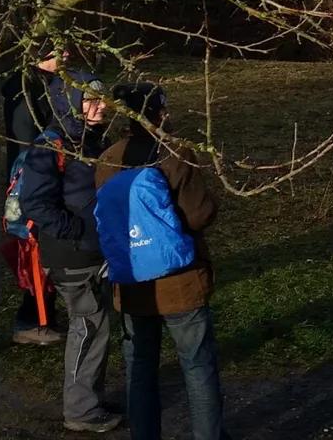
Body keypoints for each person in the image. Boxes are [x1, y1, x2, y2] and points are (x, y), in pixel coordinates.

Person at [96, 82, 225, 440]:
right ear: (160, 113)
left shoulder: (108, 159)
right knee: (197, 367)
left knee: (141, 371)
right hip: (180, 283)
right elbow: (198, 215)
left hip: (132, 282)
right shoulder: (176, 153)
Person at [22, 76, 120, 434]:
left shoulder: (91, 140)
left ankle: (88, 399)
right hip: (71, 257)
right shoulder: (51, 144)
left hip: (92, 252)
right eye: (91, 100)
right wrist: (78, 233)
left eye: (103, 99)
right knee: (90, 327)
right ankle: (80, 409)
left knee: (95, 327)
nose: (102, 106)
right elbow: (36, 203)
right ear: (70, 103)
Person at [1, 43, 88, 345]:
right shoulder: (24, 89)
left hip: (40, 174)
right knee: (35, 252)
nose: (65, 57)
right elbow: (27, 141)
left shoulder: (44, 84)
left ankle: (41, 316)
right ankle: (32, 320)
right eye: (57, 53)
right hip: (31, 179)